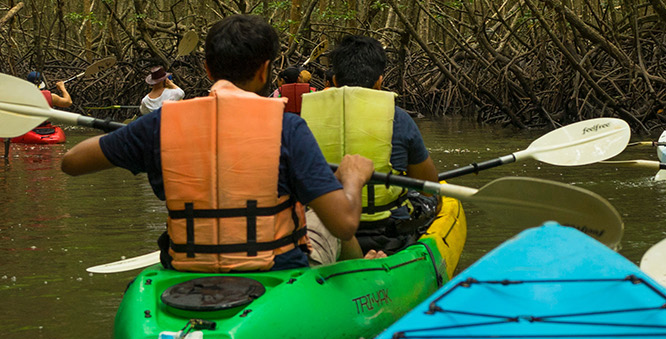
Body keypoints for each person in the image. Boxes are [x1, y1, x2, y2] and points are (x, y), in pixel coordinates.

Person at [60, 15, 376, 271]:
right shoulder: (288, 127)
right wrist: (351, 178)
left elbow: (71, 162)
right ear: (266, 70)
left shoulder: (160, 124)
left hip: (188, 272)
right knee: (324, 208)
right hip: (274, 273)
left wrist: (134, 134)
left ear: (208, 69)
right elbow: (345, 224)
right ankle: (364, 274)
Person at [300, 35, 443, 255]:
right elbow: (428, 184)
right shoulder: (399, 119)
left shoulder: (301, 122)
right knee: (432, 197)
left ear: (335, 81)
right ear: (379, 81)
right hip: (387, 232)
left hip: (328, 228)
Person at [26, 70, 72, 137]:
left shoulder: (22, 96)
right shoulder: (52, 97)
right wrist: (62, 87)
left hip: (29, 130)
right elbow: (68, 102)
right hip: (47, 129)